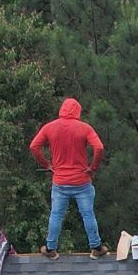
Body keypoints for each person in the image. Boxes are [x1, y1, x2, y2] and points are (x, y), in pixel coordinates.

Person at [27, 97, 106, 257]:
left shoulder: (50, 127)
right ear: (77, 112)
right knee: (87, 214)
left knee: (56, 214)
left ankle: (50, 249)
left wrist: (46, 165)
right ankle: (96, 248)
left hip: (60, 182)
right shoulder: (84, 128)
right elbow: (99, 147)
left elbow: (34, 146)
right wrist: (93, 167)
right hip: (81, 181)